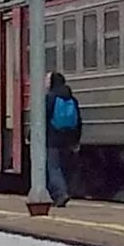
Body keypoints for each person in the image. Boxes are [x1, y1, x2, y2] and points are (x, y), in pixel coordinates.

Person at [43, 70, 82, 207]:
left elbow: (42, 119)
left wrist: (32, 135)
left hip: (52, 139)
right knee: (65, 168)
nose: (45, 83)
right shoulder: (71, 99)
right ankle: (61, 193)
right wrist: (76, 140)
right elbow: (78, 122)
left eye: (47, 80)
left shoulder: (50, 98)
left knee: (53, 168)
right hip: (68, 139)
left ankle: (61, 194)